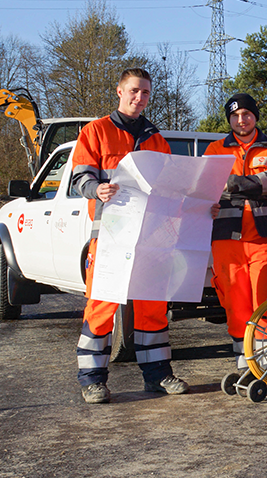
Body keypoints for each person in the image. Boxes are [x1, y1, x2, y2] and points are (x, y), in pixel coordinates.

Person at [71, 68, 190, 403]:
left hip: (151, 237)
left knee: (152, 307)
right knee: (102, 305)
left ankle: (158, 376)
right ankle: (92, 380)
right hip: (110, 236)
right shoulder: (95, 131)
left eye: (146, 93)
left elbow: (168, 186)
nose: (140, 98)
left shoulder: (156, 139)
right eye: (135, 91)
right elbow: (81, 179)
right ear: (120, 92)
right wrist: (97, 189)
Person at [204, 93, 267, 374]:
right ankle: (245, 357)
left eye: (247, 114)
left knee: (266, 295)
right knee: (235, 298)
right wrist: (249, 184)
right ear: (229, 119)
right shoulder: (215, 149)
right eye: (235, 116)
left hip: (265, 237)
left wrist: (230, 184)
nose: (242, 120)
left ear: (255, 117)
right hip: (227, 238)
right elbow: (205, 187)